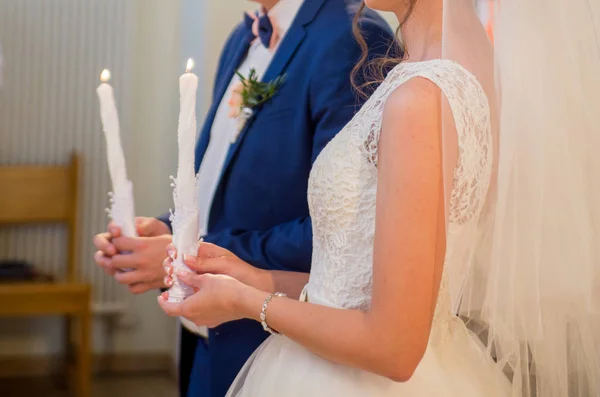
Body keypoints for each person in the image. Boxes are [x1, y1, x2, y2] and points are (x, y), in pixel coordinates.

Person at [159, 0, 600, 396]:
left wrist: (245, 304)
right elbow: (360, 285)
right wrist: (254, 278)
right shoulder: (443, 73)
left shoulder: (421, 97)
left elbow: (394, 347)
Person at [93, 1, 394, 396]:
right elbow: (223, 180)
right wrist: (167, 230)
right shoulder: (242, 38)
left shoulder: (354, 38)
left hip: (282, 348)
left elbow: (348, 232)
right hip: (206, 338)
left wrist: (195, 253)